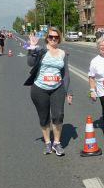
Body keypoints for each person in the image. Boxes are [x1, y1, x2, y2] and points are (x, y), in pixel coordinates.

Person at [24, 27, 73, 156]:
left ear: (59, 39)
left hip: (57, 88)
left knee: (58, 115)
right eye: (51, 37)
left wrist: (69, 92)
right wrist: (32, 47)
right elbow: (30, 63)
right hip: (39, 89)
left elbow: (66, 74)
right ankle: (47, 142)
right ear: (47, 38)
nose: (53, 39)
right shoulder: (41, 50)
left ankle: (56, 143)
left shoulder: (63, 53)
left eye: (56, 37)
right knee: (44, 117)